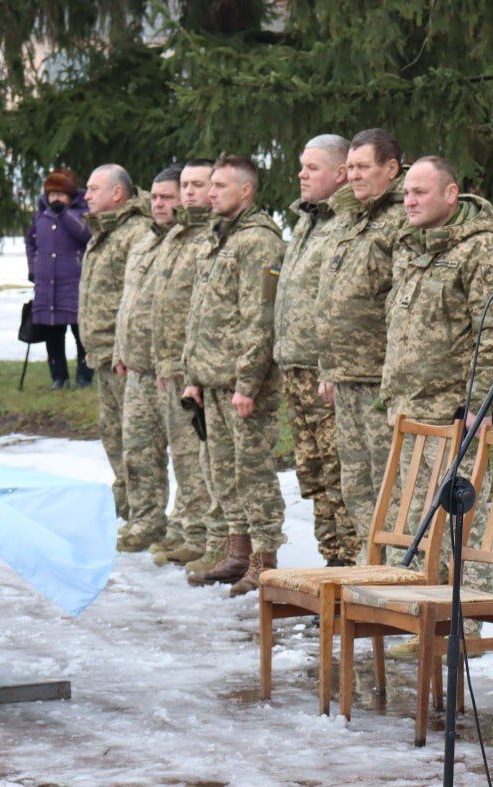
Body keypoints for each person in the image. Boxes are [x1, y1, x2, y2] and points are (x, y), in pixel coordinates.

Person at [383, 155, 493, 646]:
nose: (410, 201)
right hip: (409, 410)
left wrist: (478, 405)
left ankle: (466, 625)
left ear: (451, 193)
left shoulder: (483, 252)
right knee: (418, 520)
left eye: (420, 192)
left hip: (454, 415)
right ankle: (428, 619)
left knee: (462, 518)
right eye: (406, 193)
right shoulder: (412, 248)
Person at [182, 155, 286, 596]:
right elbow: (204, 314)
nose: (210, 193)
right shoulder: (220, 238)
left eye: (220, 186)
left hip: (243, 385)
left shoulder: (258, 242)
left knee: (252, 471)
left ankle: (264, 557)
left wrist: (248, 383)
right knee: (223, 471)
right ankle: (237, 551)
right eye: (211, 186)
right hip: (213, 380)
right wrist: (195, 375)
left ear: (246, 191)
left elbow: (258, 318)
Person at [313, 128, 406, 554]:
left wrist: (394, 378)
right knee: (356, 486)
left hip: (380, 380)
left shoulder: (402, 218)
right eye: (349, 167)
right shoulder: (350, 218)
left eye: (362, 167)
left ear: (391, 168)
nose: (353, 176)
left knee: (390, 487)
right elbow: (333, 298)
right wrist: (329, 367)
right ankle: (368, 573)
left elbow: (402, 302)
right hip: (347, 376)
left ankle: (395, 580)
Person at [274, 134, 363, 567]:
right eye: (301, 166)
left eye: (311, 167)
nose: (301, 175)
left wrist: (329, 362)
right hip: (297, 369)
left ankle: (349, 566)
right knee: (313, 475)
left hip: (326, 372)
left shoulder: (343, 225)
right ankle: (333, 563)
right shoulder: (307, 223)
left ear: (341, 172)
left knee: (339, 473)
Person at [149, 159, 220, 571]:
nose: (191, 193)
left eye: (198, 185)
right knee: (185, 456)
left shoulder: (208, 237)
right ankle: (191, 528)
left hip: (196, 366)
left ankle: (202, 533)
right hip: (171, 364)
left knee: (199, 459)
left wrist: (187, 365)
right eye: (186, 186)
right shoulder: (176, 236)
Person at [112, 166, 181, 553]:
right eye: (155, 197)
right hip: (136, 366)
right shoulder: (144, 241)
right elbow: (131, 301)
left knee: (185, 457)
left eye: (167, 197)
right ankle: (145, 519)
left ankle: (185, 527)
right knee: (138, 451)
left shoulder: (186, 242)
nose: (159, 203)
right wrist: (122, 348)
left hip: (169, 368)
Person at [78, 164, 152, 520]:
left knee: (135, 438)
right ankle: (124, 501)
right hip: (101, 353)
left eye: (94, 189)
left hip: (122, 354)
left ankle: (143, 511)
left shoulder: (134, 233)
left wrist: (124, 347)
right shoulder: (103, 232)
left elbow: (135, 298)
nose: (87, 195)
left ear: (118, 194)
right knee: (112, 434)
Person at [24, 168, 93, 389]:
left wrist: (64, 213)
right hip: (46, 285)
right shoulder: (40, 216)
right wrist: (33, 268)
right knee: (52, 334)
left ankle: (84, 376)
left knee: (80, 331)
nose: (55, 198)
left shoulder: (81, 213)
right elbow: (30, 243)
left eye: (61, 194)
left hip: (74, 282)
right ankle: (58, 377)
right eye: (52, 194)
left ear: (70, 195)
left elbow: (86, 235)